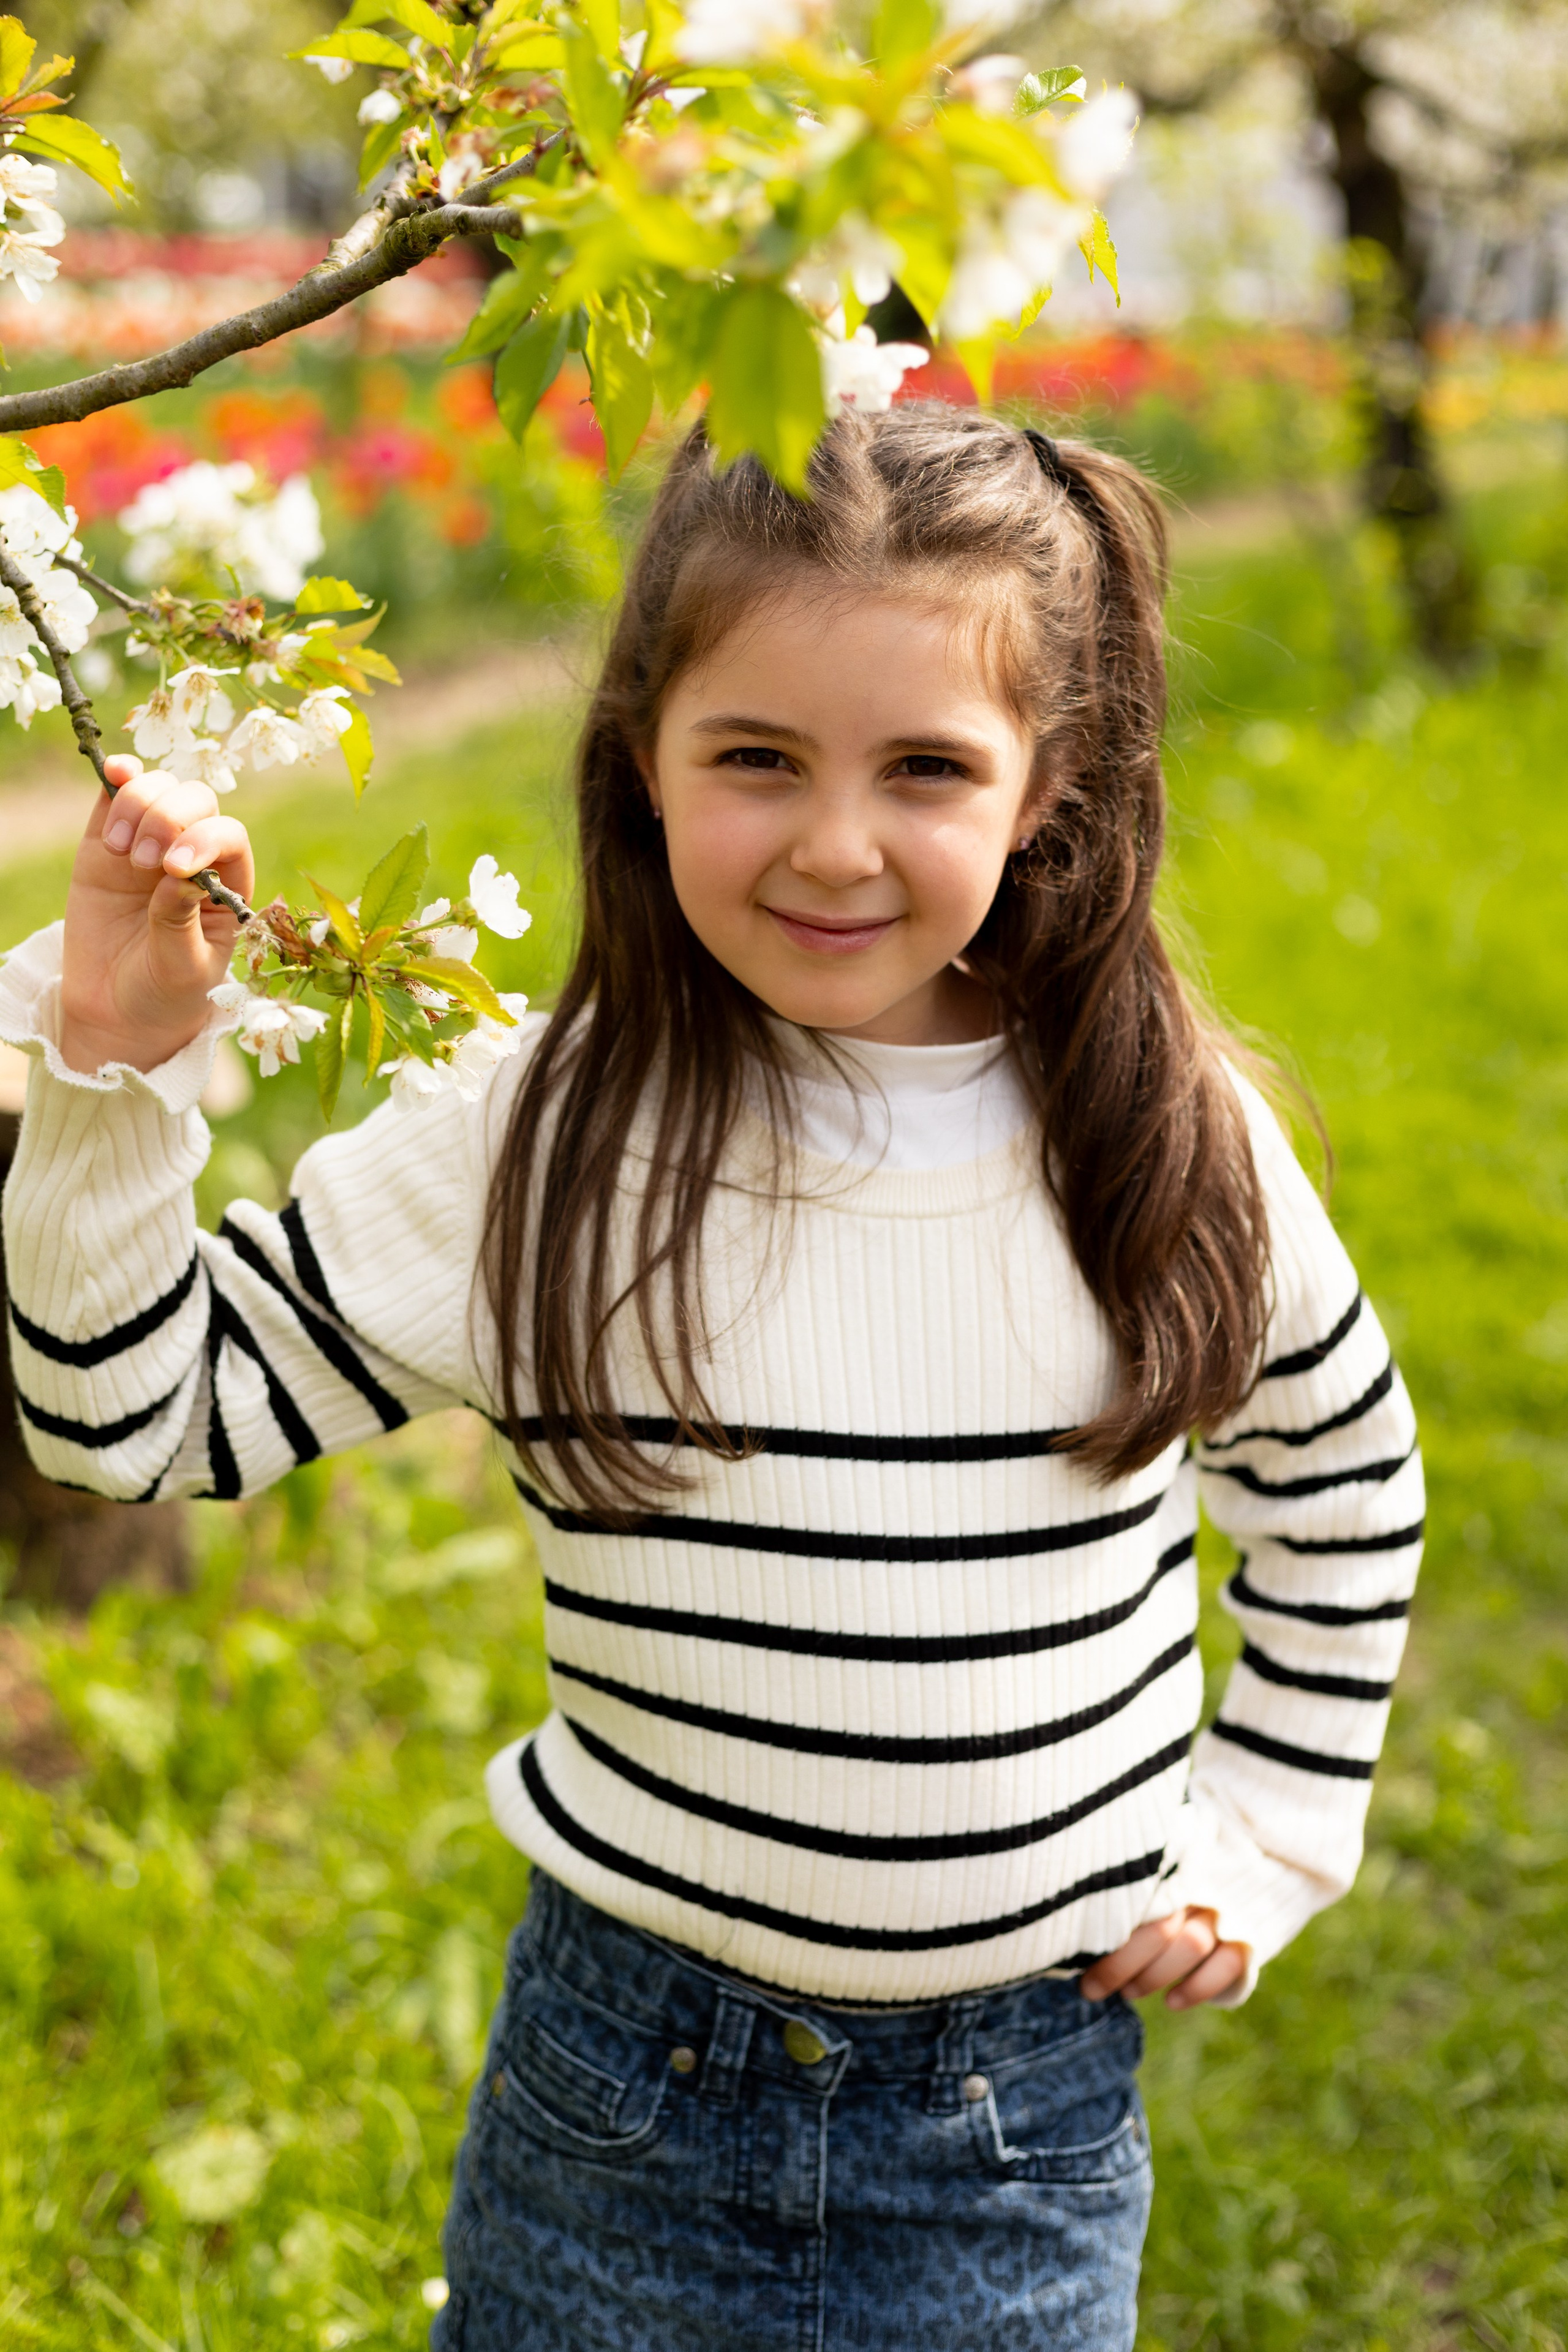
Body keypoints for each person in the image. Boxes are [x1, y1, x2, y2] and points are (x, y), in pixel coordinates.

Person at [1, 407, 1422, 2351]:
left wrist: (1269, 1824)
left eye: (926, 767)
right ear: (642, 759)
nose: (835, 844)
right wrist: (111, 1065)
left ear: (1051, 784)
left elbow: (1343, 1482)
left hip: (1013, 2123)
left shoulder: (1156, 1139)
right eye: (757, 758)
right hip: (622, 2104)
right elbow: (133, 1416)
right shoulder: (534, 1141)